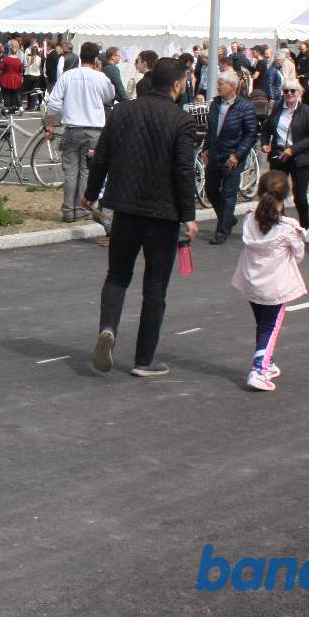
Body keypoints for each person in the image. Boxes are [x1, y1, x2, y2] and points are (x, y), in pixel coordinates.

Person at [82, 57, 198, 378]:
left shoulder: (122, 112)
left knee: (117, 275)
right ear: (176, 84)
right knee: (155, 287)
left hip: (126, 209)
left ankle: (108, 328)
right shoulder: (181, 121)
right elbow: (183, 171)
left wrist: (91, 193)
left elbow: (102, 156)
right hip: (163, 215)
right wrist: (189, 215)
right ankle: (144, 360)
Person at [230, 170, 306, 392]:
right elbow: (299, 254)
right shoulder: (289, 229)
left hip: (252, 282)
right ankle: (258, 369)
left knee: (262, 325)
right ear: (285, 198)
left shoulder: (249, 220)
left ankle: (267, 361)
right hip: (275, 286)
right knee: (270, 327)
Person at [44, 42, 114, 223]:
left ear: (80, 56)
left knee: (70, 171)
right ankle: (82, 208)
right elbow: (109, 96)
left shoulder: (68, 76)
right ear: (96, 58)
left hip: (72, 129)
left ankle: (68, 210)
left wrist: (49, 125)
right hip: (94, 131)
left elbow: (53, 102)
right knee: (86, 171)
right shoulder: (100, 78)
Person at [202, 71, 258, 245]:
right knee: (210, 189)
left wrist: (238, 154)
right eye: (218, 83)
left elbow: (251, 134)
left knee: (228, 193)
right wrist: (205, 148)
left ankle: (222, 231)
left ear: (232, 87)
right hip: (215, 153)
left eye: (221, 84)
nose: (218, 87)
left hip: (232, 156)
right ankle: (228, 219)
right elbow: (210, 129)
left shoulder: (245, 107)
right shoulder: (215, 104)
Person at [261, 80, 309, 242]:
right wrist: (265, 143)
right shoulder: (278, 108)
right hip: (279, 155)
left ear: (299, 92)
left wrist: (293, 149)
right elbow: (266, 128)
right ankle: (281, 224)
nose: (289, 94)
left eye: (293, 91)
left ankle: (305, 226)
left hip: (299, 157)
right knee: (275, 193)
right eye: (286, 91)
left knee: (299, 195)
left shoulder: (306, 111)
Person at [0, 40, 24, 112]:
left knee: (6, 95)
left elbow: (1, 68)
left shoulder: (6, 59)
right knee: (14, 96)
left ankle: (7, 110)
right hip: (16, 79)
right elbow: (21, 70)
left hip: (6, 78)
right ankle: (12, 111)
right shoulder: (18, 60)